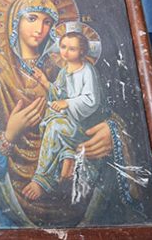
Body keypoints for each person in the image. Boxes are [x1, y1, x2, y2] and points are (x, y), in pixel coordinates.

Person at [0, 0, 142, 228]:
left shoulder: (68, 68)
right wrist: (7, 136)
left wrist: (111, 133)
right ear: (14, 22)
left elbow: (100, 111)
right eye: (32, 18)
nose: (41, 29)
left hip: (76, 190)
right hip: (12, 202)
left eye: (48, 22)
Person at [23, 31, 106, 201]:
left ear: (82, 52)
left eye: (72, 49)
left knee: (54, 127)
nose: (66, 52)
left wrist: (67, 103)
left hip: (84, 126)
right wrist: (45, 82)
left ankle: (42, 179)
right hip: (70, 120)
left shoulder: (87, 71)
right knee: (48, 117)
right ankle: (67, 157)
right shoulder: (64, 70)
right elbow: (59, 93)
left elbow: (91, 101)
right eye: (63, 47)